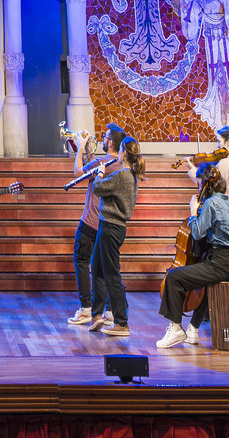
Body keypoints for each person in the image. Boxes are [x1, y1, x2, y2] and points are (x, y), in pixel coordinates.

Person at [158, 166, 229, 348]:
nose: (198, 188)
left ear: (205, 185)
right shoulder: (227, 203)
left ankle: (176, 328)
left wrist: (193, 212)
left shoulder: (211, 203)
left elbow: (197, 233)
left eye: (198, 184)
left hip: (219, 263)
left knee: (173, 277)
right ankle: (193, 330)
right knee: (206, 285)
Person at [65, 124, 123, 329]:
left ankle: (86, 309)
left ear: (111, 142)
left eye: (105, 137)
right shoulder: (120, 165)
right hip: (107, 223)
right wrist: (90, 152)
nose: (103, 139)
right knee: (104, 267)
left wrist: (80, 147)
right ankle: (108, 311)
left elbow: (78, 172)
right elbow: (94, 169)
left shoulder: (103, 162)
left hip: (90, 221)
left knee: (81, 261)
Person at [88, 133, 142, 336]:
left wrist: (100, 173)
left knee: (111, 274)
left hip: (111, 227)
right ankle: (96, 315)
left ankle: (121, 322)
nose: (118, 153)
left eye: (120, 150)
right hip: (109, 226)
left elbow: (98, 188)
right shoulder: (130, 176)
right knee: (97, 268)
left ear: (124, 153)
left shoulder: (122, 175)